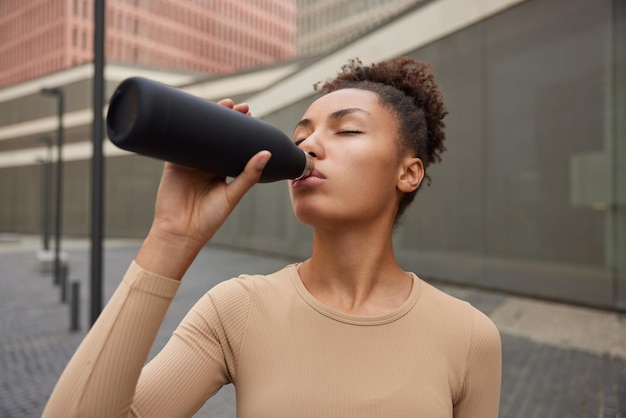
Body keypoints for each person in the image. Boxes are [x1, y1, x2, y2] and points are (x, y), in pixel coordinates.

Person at [43, 57, 501, 417]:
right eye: (301, 136)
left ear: (408, 172)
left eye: (347, 129)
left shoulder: (468, 336)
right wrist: (171, 237)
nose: (308, 147)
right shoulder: (236, 310)